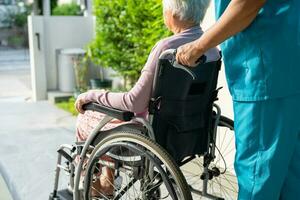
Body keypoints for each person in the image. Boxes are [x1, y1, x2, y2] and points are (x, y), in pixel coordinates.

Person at [75, 0, 219, 197]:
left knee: (87, 116)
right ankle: (106, 175)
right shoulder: (211, 48)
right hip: (191, 128)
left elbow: (133, 102)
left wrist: (91, 95)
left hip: (154, 133)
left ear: (173, 14)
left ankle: (98, 180)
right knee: (109, 117)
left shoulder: (167, 48)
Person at [176, 0, 300, 199]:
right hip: (288, 67)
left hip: (263, 71)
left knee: (257, 177)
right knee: (291, 178)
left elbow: (247, 3)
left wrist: (198, 46)